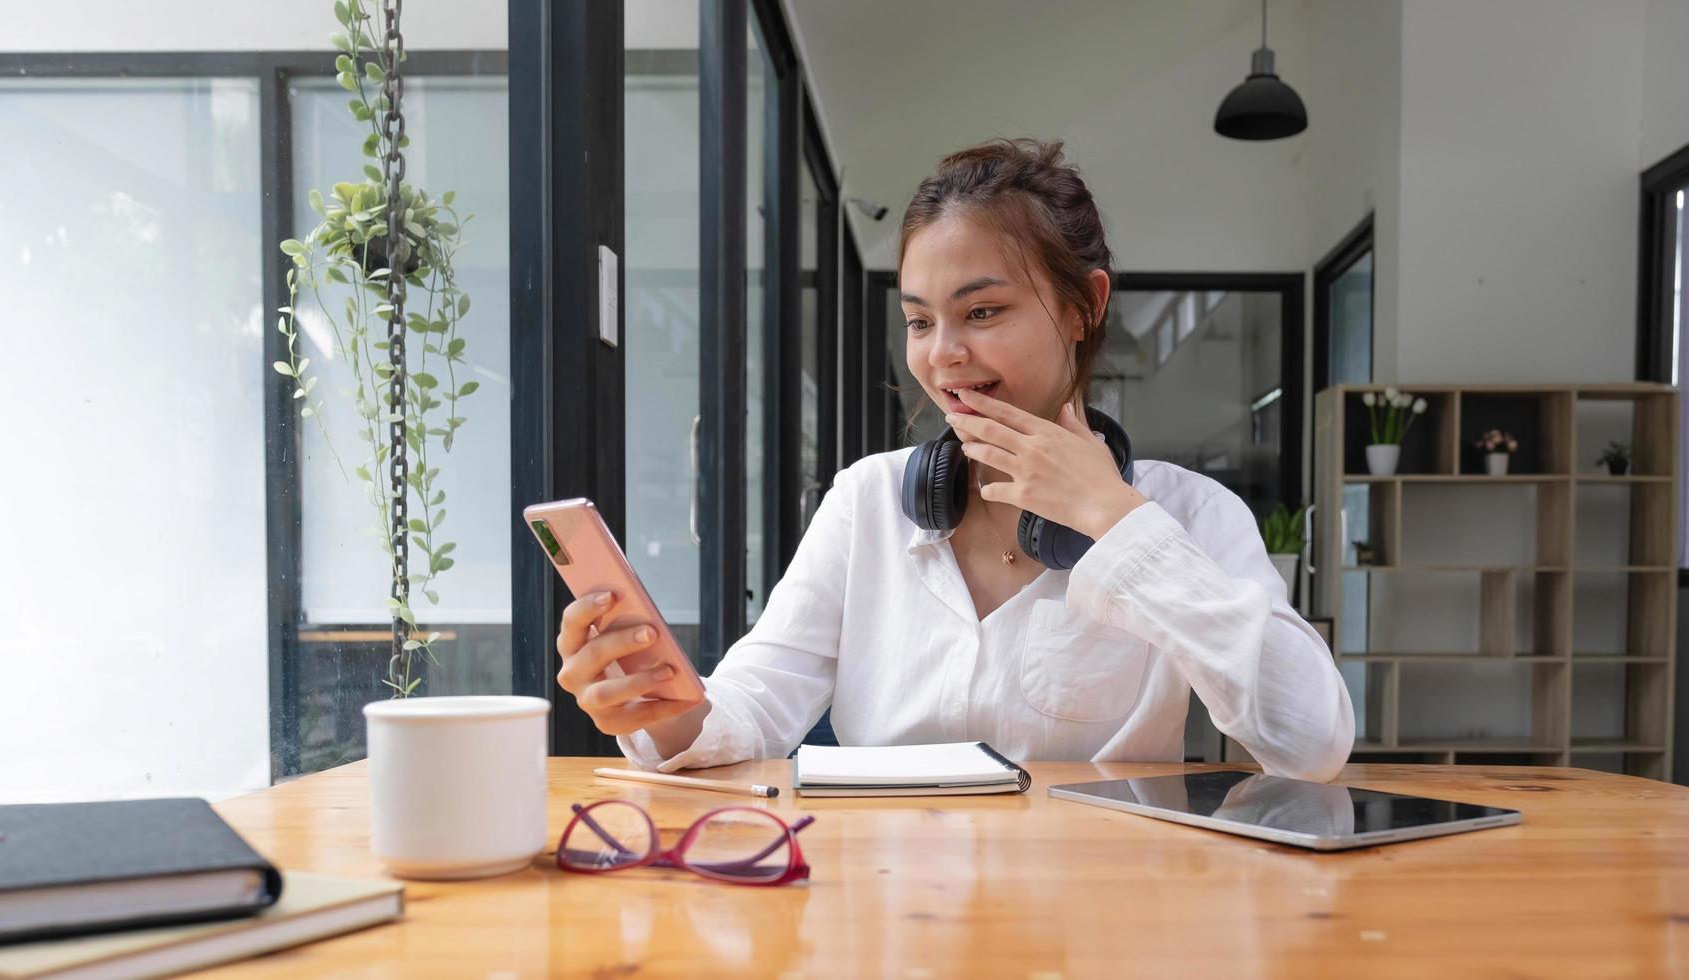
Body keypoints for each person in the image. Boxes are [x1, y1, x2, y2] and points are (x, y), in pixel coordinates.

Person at [555, 137, 1354, 782]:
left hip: (1104, 923)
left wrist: (1116, 521)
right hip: (888, 913)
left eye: (982, 311)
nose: (944, 357)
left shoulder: (1192, 516)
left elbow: (1312, 741)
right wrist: (655, 702)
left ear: (1085, 306)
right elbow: (753, 702)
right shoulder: (866, 500)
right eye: (919, 321)